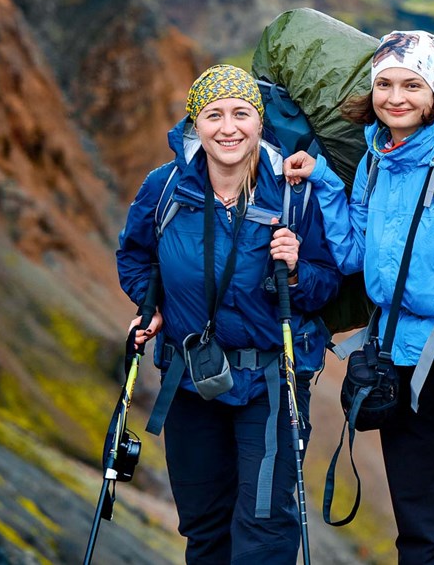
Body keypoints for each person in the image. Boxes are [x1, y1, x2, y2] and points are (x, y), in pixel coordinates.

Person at [285, 31, 434, 563]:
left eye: (412, 85)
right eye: (385, 84)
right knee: (419, 522)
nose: (396, 97)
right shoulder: (377, 161)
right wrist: (325, 180)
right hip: (399, 359)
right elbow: (355, 256)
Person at [116, 64, 340, 564]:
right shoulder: (166, 188)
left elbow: (328, 284)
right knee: (204, 524)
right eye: (214, 115)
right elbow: (135, 258)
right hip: (191, 379)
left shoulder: (292, 193)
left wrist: (299, 267)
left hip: (271, 382)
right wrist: (151, 309)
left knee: (264, 529)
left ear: (259, 123)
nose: (228, 127)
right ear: (195, 124)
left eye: (241, 113)